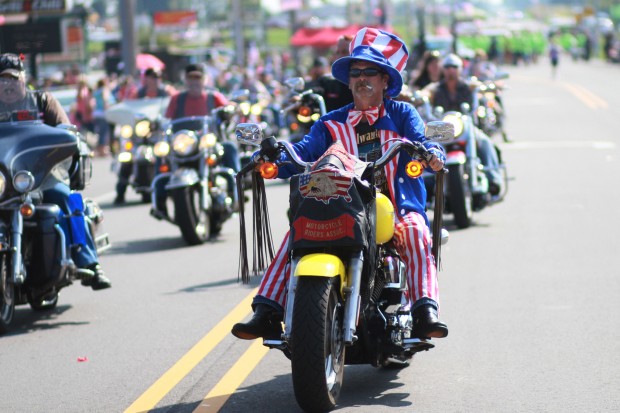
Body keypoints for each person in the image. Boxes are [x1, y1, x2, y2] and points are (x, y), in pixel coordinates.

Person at [231, 27, 449, 341]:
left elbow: (424, 142)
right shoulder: (329, 122)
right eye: (355, 72)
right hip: (341, 209)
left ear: (385, 80)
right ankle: (266, 310)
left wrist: (433, 154)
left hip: (395, 209)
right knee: (297, 231)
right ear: (347, 81)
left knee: (415, 232)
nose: (362, 78)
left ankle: (425, 309)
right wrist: (272, 161)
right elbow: (302, 153)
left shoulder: (402, 113)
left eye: (370, 72)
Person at [0, 53, 111, 290]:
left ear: (22, 79)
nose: (7, 84)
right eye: (2, 79)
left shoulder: (41, 101)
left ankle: (89, 262)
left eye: (12, 78)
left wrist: (65, 135)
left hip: (42, 174)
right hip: (5, 179)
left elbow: (66, 133)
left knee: (66, 198)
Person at [427, 53, 504, 196]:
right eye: (448, 67)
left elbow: (480, 86)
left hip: (465, 126)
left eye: (454, 67)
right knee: (424, 147)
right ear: (443, 69)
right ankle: (426, 183)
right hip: (443, 130)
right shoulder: (436, 88)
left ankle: (494, 178)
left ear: (461, 69)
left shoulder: (469, 86)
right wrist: (417, 94)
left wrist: (486, 86)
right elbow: (425, 91)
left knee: (486, 142)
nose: (451, 70)